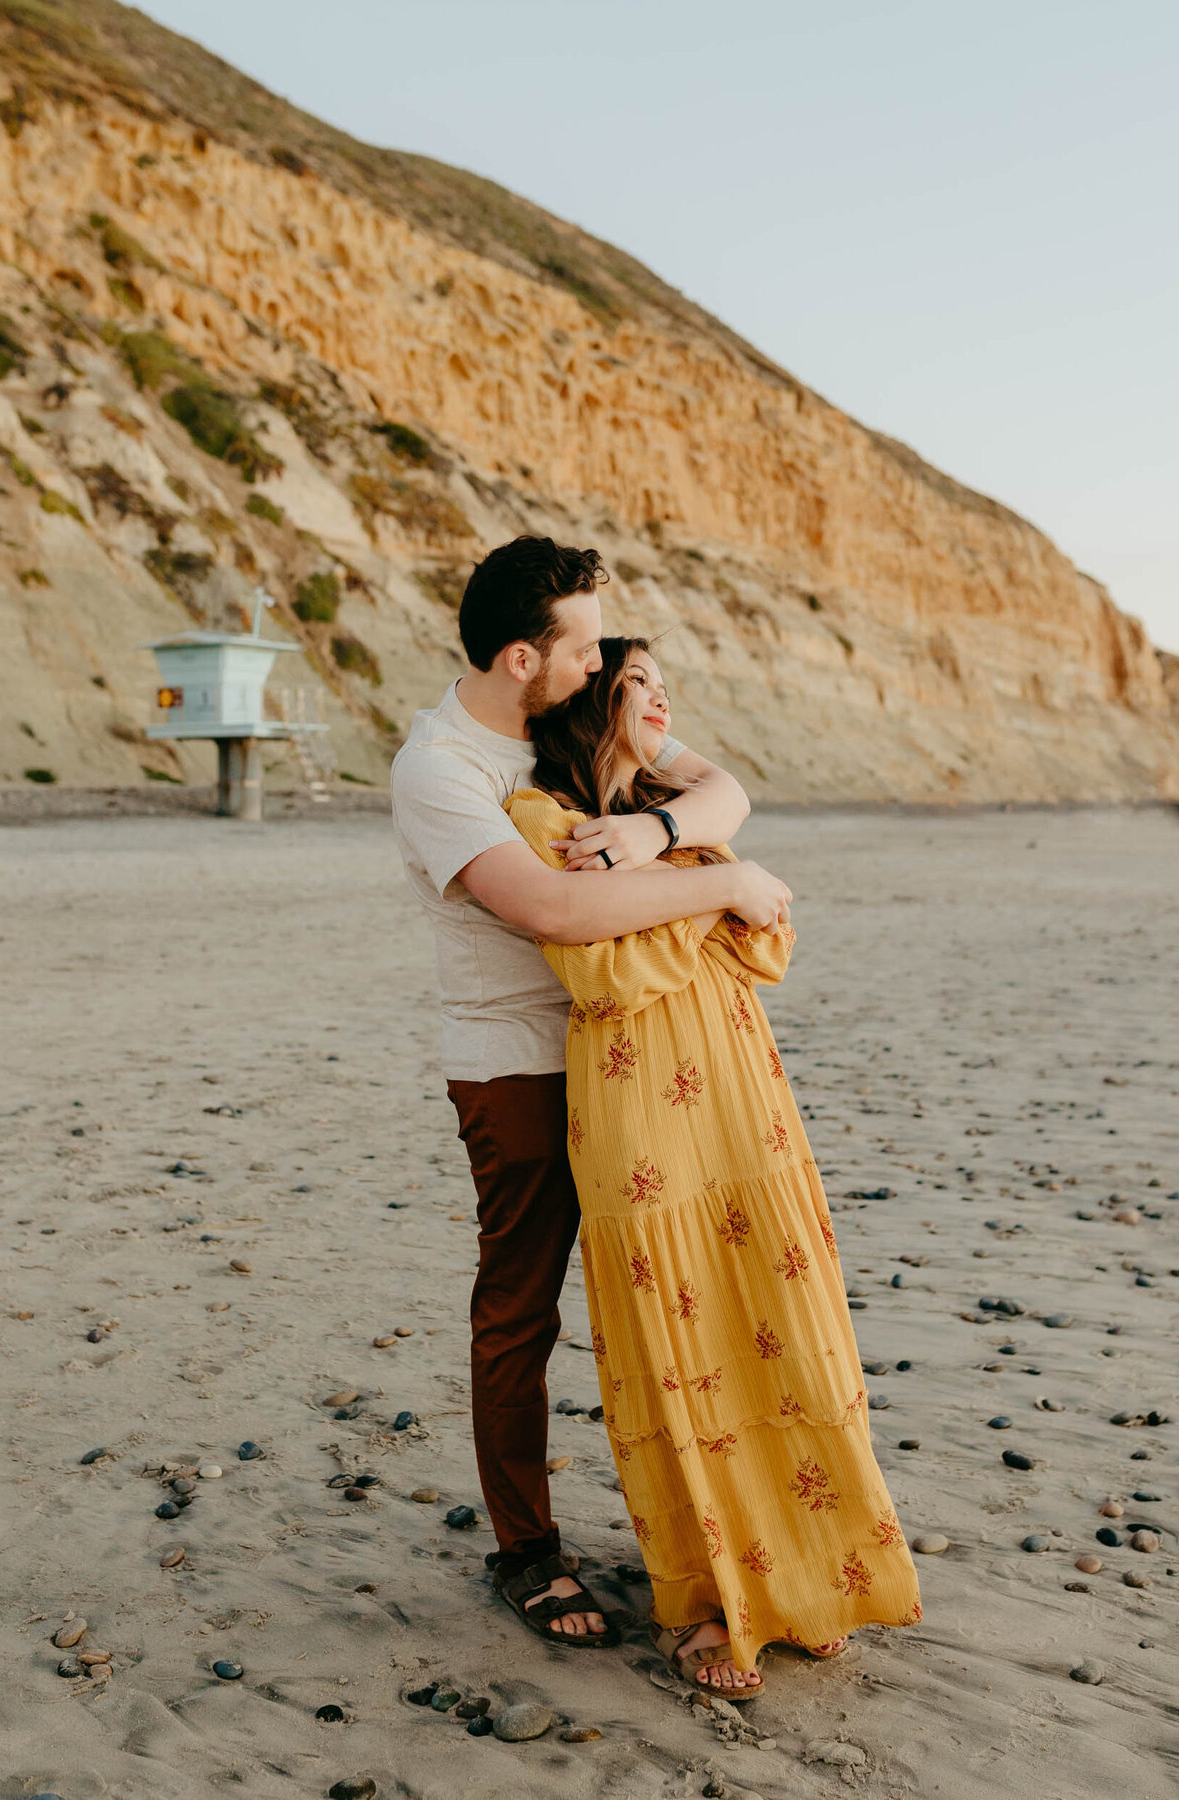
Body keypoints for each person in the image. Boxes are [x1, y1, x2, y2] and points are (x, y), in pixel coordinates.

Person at [390, 537, 794, 1645]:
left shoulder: (568, 709)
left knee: (676, 1297)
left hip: (640, 1061)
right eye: (580, 649)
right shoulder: (441, 771)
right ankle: (526, 1552)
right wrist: (729, 886)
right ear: (522, 658)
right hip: (517, 1064)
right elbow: (553, 912)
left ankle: (715, 1535)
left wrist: (660, 830)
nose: (600, 664)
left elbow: (723, 785)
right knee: (522, 1307)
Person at [501, 635, 923, 1694]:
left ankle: (810, 1577)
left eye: (666, 689)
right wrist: (720, 885)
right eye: (639, 684)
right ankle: (710, 1603)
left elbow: (766, 934)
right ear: (588, 699)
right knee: (683, 1345)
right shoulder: (545, 823)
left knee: (786, 1325)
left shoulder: (650, 821)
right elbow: (605, 966)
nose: (662, 703)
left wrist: (681, 857)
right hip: (640, 1109)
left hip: (745, 1098)